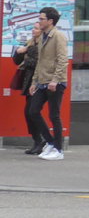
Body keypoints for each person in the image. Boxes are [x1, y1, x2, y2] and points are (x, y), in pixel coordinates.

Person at [29, 7, 69, 160]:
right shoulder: (43, 36)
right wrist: (34, 81)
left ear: (50, 21)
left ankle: (58, 150)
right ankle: (51, 142)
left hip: (55, 82)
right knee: (33, 111)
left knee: (54, 115)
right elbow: (40, 61)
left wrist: (55, 80)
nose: (39, 21)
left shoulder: (58, 36)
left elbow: (62, 60)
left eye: (41, 19)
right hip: (42, 81)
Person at [12, 20, 46, 154]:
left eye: (36, 28)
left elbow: (38, 62)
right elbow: (16, 61)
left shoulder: (43, 44)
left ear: (42, 31)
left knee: (31, 112)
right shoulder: (31, 43)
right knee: (29, 112)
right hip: (28, 83)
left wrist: (26, 52)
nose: (33, 30)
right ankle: (38, 141)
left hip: (38, 82)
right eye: (33, 28)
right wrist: (20, 52)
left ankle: (43, 140)